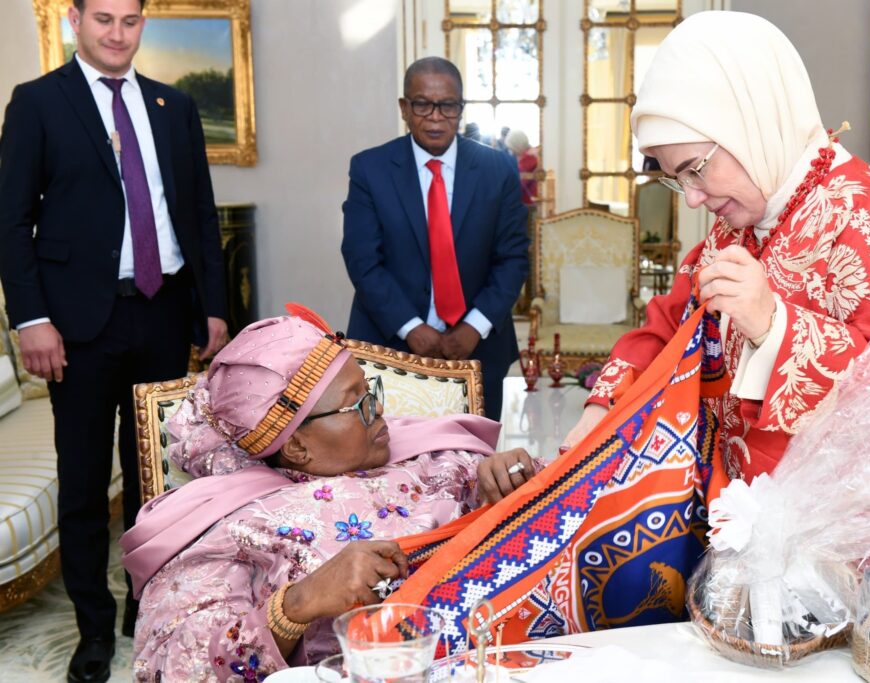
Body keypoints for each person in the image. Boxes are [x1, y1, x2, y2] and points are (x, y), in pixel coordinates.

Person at [563, 11, 870, 484]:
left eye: (696, 168)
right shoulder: (743, 220)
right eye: (676, 178)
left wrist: (775, 326)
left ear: (752, 126)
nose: (692, 197)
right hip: (741, 513)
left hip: (848, 536)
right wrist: (603, 407)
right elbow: (669, 327)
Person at [0, 0, 227, 680]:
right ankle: (94, 629)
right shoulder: (38, 103)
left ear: (142, 24)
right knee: (83, 482)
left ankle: (146, 600)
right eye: (103, 19)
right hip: (77, 326)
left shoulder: (172, 106)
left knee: (155, 479)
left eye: (129, 20)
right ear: (75, 20)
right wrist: (30, 320)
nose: (116, 33)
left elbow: (200, 212)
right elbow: (10, 224)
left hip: (162, 311)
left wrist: (213, 307)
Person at [120, 315, 538, 680]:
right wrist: (296, 605)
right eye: (354, 405)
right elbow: (177, 667)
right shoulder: (233, 527)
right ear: (298, 447)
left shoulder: (433, 451)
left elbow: (558, 511)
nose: (377, 409)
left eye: (368, 390)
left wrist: (509, 481)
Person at [341, 57, 529, 421]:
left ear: (460, 109)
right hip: (389, 344)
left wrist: (474, 325)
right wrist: (411, 327)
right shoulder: (370, 169)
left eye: (447, 106)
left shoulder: (497, 170)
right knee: (392, 461)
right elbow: (363, 260)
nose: (435, 116)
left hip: (478, 347)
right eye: (422, 104)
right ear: (404, 108)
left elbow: (513, 258)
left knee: (475, 462)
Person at [505, 129, 539, 205]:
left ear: (516, 146)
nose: (511, 152)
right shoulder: (533, 153)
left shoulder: (527, 159)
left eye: (511, 148)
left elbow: (517, 186)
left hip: (529, 203)